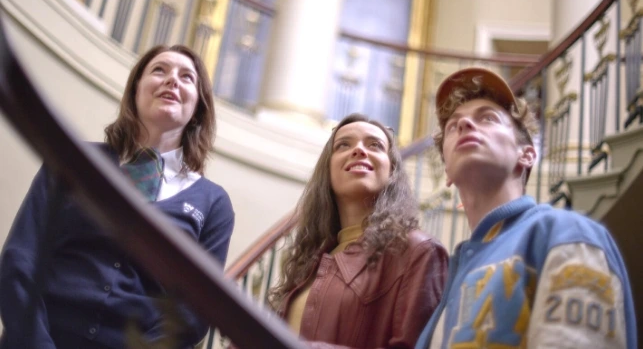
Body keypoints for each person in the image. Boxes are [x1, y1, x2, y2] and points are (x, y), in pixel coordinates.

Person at [0, 45, 235, 348]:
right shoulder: (71, 160)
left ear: (198, 107)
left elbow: (192, 314)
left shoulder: (214, 203)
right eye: (159, 70)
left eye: (187, 77)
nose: (172, 80)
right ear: (135, 90)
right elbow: (20, 261)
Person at [415, 67, 636, 349]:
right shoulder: (454, 276)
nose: (465, 125)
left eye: (488, 118)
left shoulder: (568, 233)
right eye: (452, 125)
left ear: (527, 154)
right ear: (446, 170)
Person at [269, 113, 449, 348]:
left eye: (375, 145)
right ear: (328, 170)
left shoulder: (418, 251)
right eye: (344, 144)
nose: (359, 150)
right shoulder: (312, 260)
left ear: (392, 171)